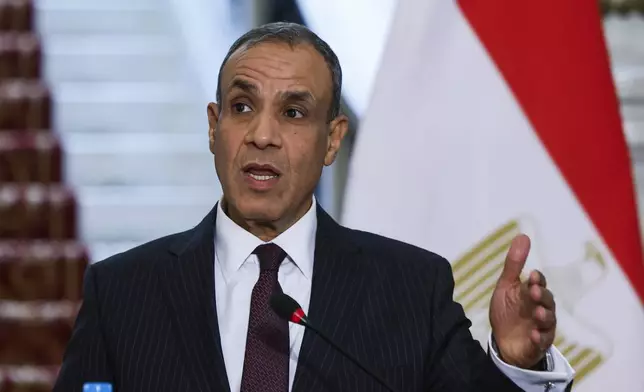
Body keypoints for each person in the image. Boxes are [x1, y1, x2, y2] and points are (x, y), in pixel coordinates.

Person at [53, 22, 575, 392]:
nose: (262, 135)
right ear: (214, 127)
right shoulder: (122, 293)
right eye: (242, 107)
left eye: (294, 112)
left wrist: (512, 362)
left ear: (332, 140)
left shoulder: (411, 290)